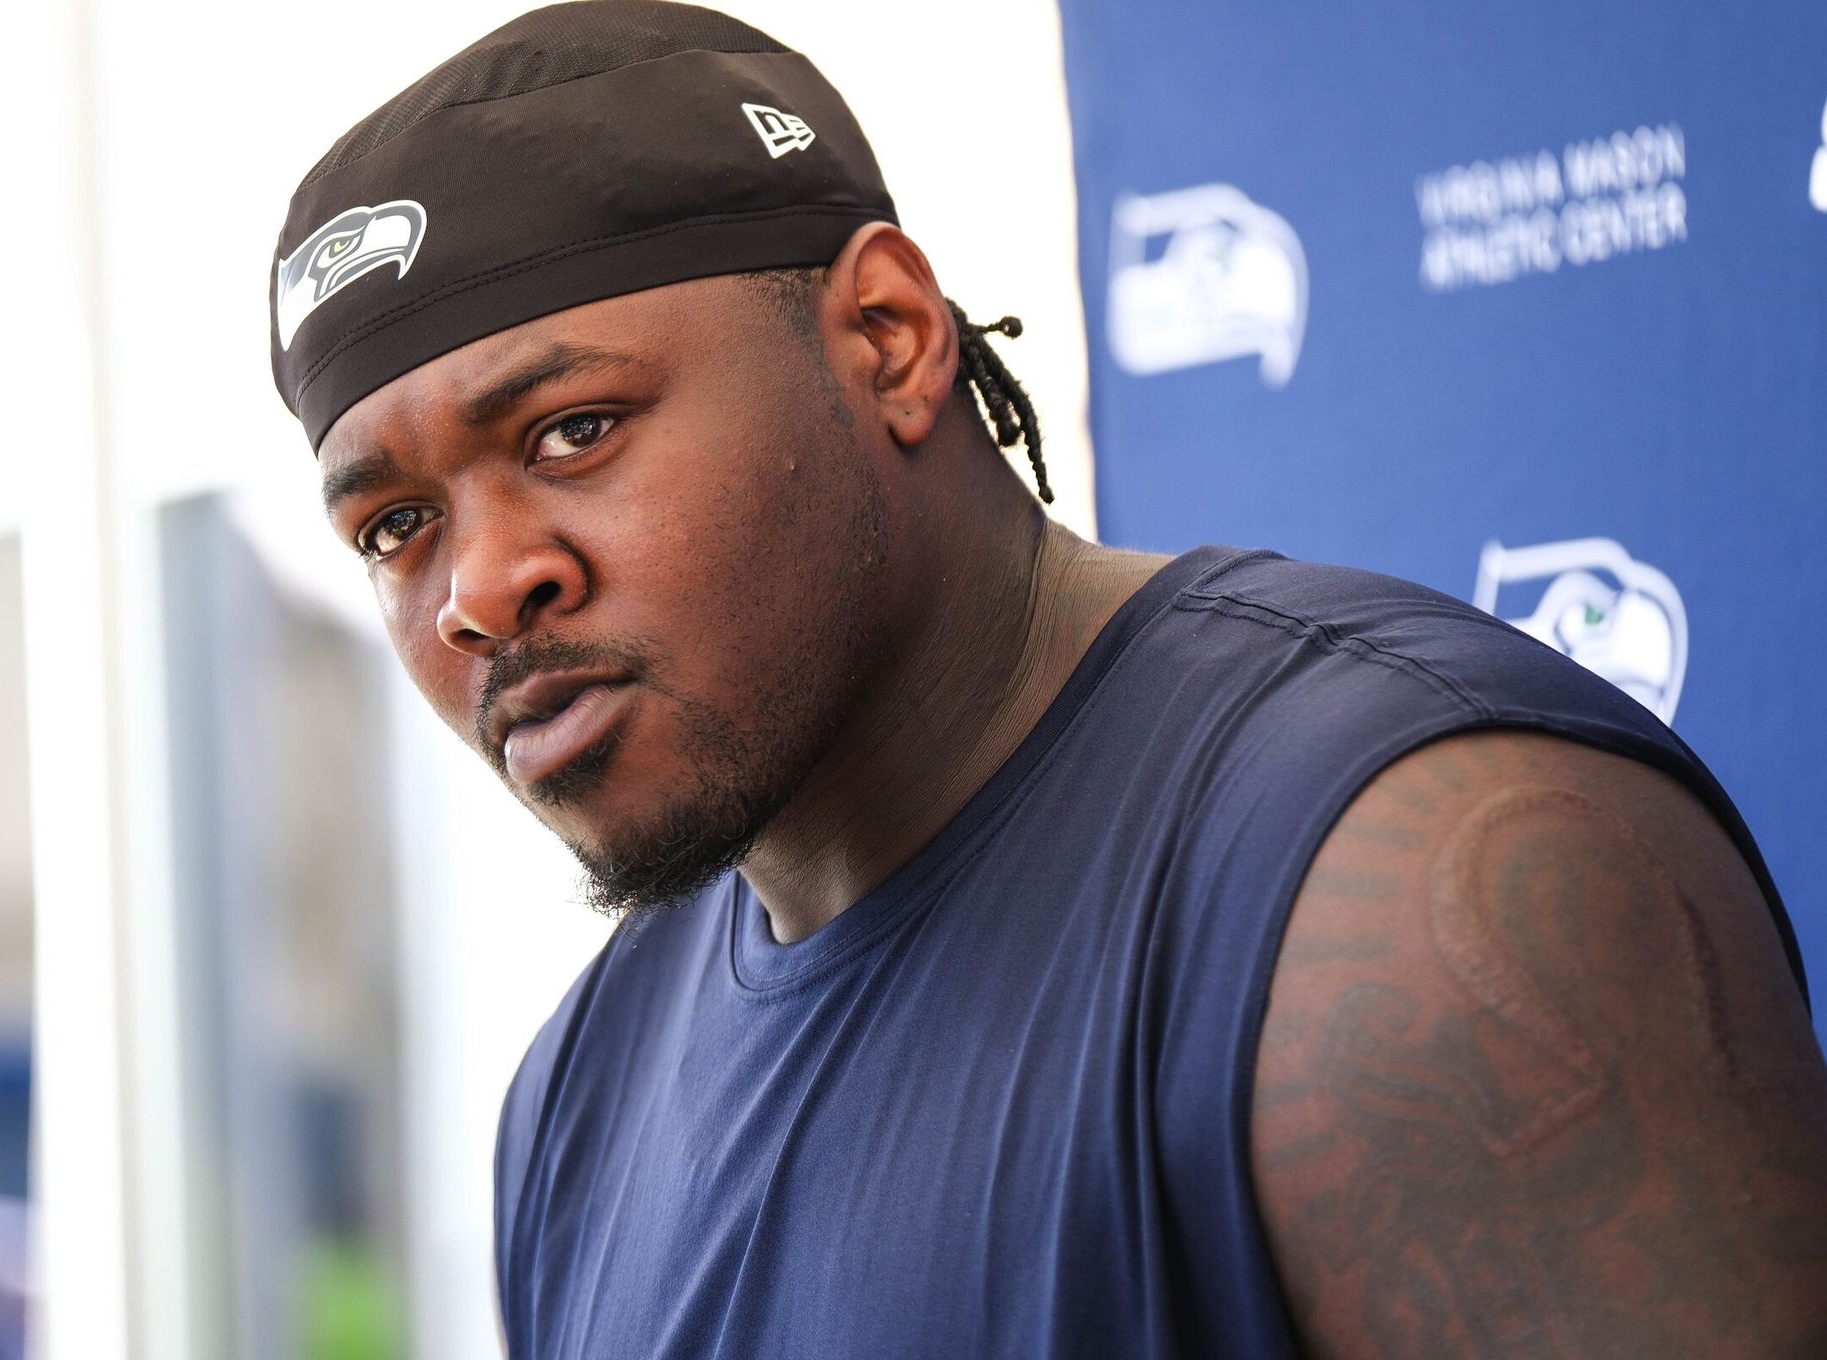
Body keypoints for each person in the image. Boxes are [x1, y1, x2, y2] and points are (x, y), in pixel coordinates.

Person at [268, 3, 1827, 1354]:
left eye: (573, 432)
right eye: (397, 526)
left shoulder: (1408, 887)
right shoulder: (577, 1102)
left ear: (886, 336)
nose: (480, 589)